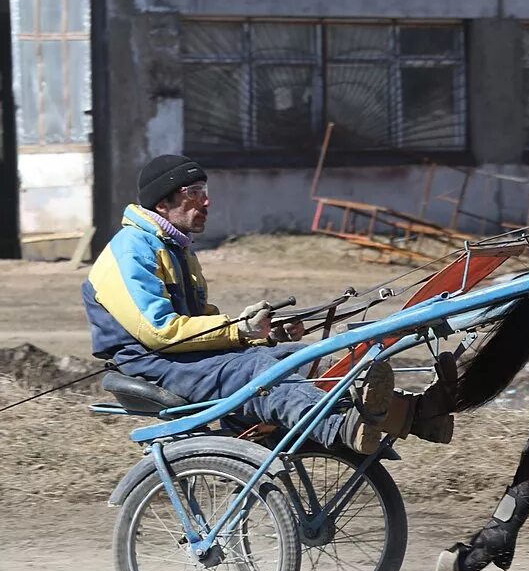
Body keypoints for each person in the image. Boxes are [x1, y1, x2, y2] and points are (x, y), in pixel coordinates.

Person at [82, 154, 447, 451]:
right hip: (153, 363)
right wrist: (241, 332)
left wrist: (265, 334)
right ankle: (338, 427)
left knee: (300, 357)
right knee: (259, 373)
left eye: (204, 190)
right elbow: (160, 331)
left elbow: (200, 321)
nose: (206, 201)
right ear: (164, 202)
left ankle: (412, 416)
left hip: (179, 357)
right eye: (194, 192)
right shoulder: (131, 250)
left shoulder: (174, 247)